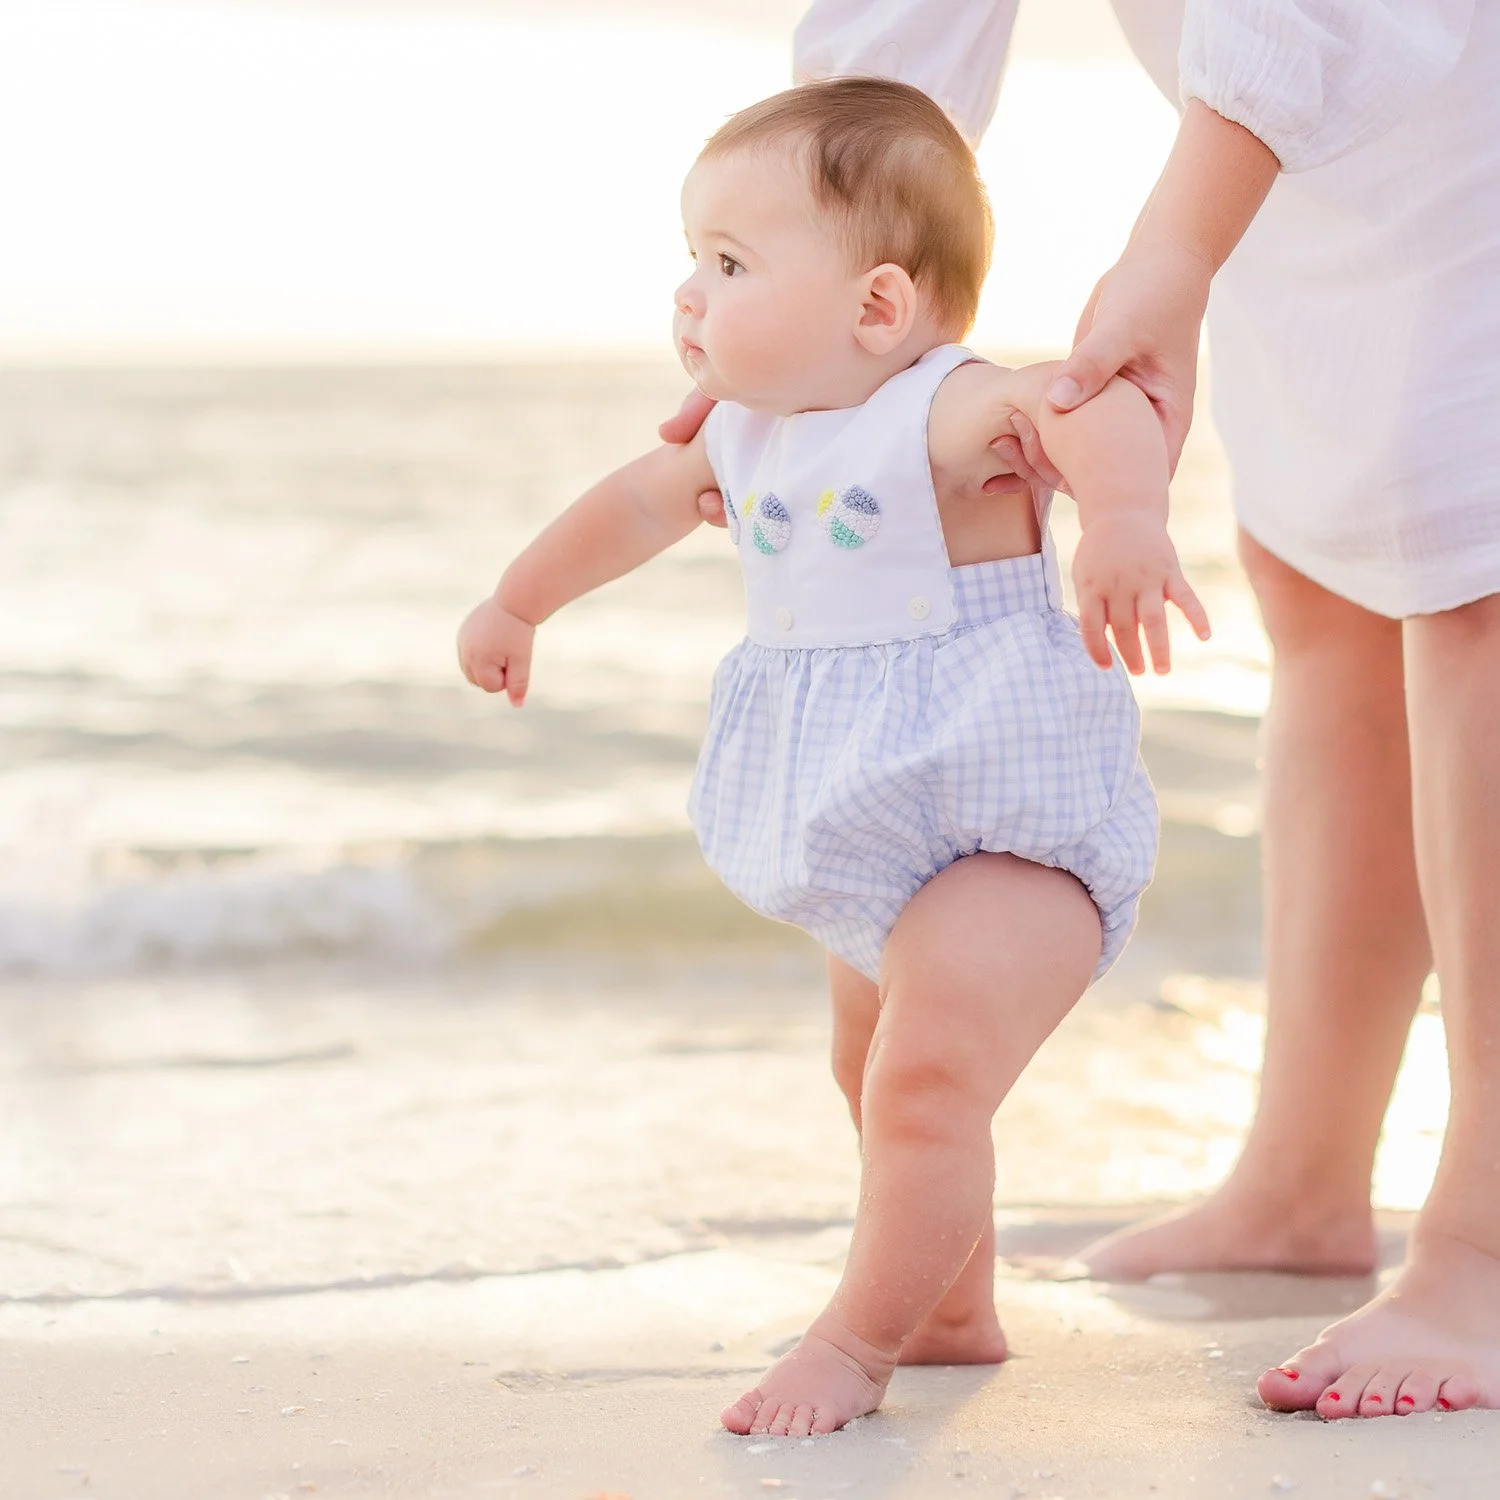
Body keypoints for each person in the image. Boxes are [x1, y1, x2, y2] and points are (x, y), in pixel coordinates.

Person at [716, 0, 1498, 1423]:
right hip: (1282, 157)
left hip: (1436, 95)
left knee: (1480, 572)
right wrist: (830, 262)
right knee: (1318, 577)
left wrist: (1175, 247)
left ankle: (1487, 1243)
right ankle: (1302, 1180)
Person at [459, 77, 1209, 1436]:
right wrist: (520, 601)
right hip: (869, 826)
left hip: (1006, 825)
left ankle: (856, 1346)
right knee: (870, 1072)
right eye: (690, 259)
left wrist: (1125, 519)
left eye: (730, 263)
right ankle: (952, 1304)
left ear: (875, 308)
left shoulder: (943, 407)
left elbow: (1079, 409)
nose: (690, 294)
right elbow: (624, 506)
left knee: (925, 1080)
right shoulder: (741, 440)